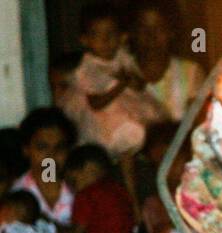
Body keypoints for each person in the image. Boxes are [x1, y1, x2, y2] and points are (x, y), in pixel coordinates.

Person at [70, 3, 164, 158]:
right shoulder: (88, 68)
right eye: (96, 35)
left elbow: (140, 85)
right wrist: (121, 85)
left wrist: (133, 82)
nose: (105, 40)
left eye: (110, 34)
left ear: (122, 37)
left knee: (149, 130)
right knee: (124, 136)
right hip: (103, 118)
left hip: (132, 107)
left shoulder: (123, 56)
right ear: (85, 40)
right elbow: (95, 103)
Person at [130, 2, 205, 123]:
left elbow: (197, 126)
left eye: (159, 28)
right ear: (132, 32)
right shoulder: (120, 71)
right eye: (143, 28)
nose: (151, 37)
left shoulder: (191, 73)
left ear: (171, 32)